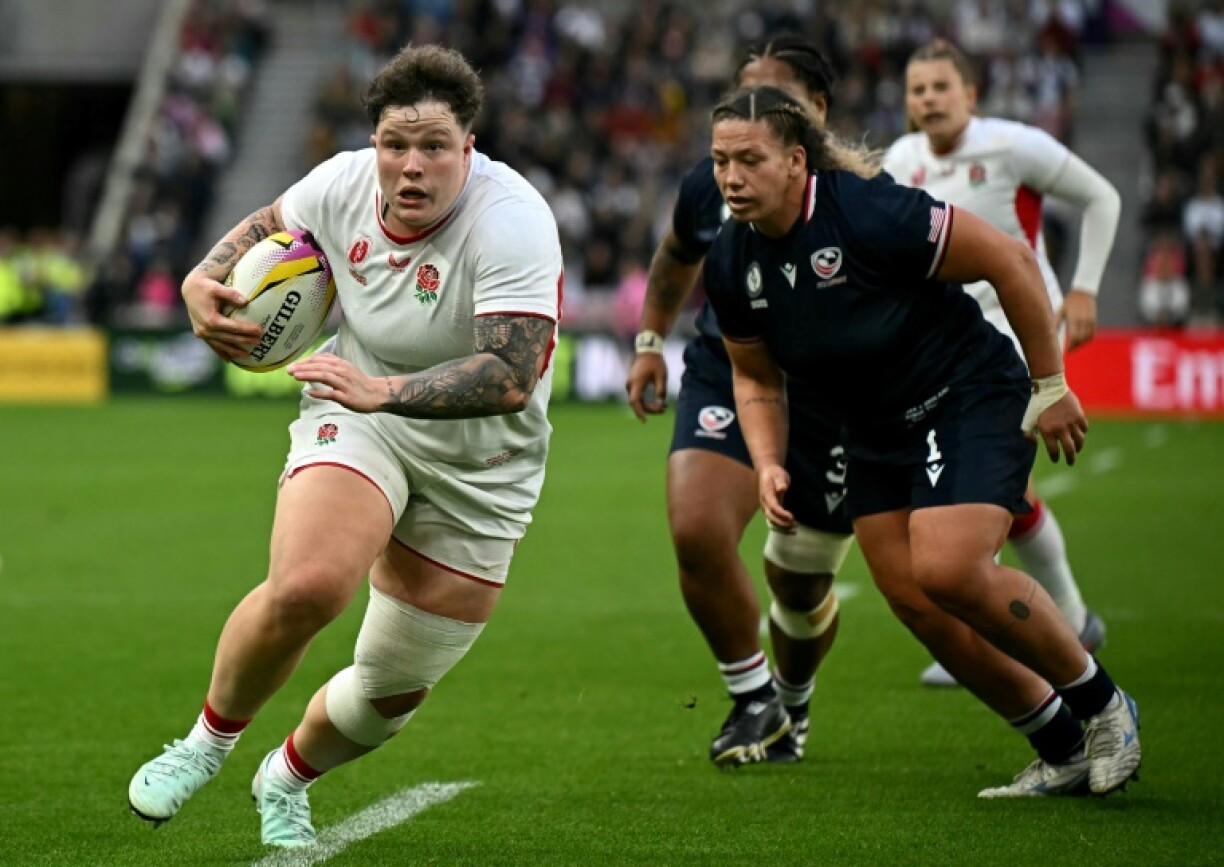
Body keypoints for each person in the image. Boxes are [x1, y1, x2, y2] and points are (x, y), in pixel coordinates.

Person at [127, 44, 563, 848]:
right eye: (395, 144)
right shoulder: (339, 183)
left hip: (482, 462)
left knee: (390, 692)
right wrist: (203, 275)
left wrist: (388, 390)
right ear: (375, 144)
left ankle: (287, 774)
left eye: (434, 146)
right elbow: (266, 224)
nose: (411, 165)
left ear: (470, 147)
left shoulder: (514, 219)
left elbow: (510, 372)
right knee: (309, 586)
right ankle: (204, 745)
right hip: (358, 417)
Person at [702, 84, 1141, 798]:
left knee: (948, 568)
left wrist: (1051, 384)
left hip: (967, 390)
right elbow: (753, 377)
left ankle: (1105, 706)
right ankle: (1060, 745)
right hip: (872, 427)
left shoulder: (870, 212)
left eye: (748, 159)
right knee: (916, 600)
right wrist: (769, 460)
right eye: (720, 161)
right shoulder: (730, 259)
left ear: (794, 161)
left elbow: (1010, 260)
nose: (730, 177)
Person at [625, 34, 852, 767]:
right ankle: (754, 697)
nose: (751, 117)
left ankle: (793, 693)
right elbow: (673, 258)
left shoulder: (862, 198)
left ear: (815, 112)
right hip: (727, 368)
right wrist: (650, 342)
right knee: (695, 527)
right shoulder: (710, 184)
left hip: (828, 393)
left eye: (775, 98)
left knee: (799, 581)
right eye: (742, 98)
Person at [883, 38, 1119, 687]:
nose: (928, 99)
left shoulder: (1013, 146)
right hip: (946, 345)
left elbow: (1102, 198)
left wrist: (1085, 287)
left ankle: (996, 627)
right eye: (917, 90)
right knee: (1004, 490)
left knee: (977, 478)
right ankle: (1068, 619)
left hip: (1022, 336)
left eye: (940, 87)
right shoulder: (901, 159)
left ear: (971, 94)